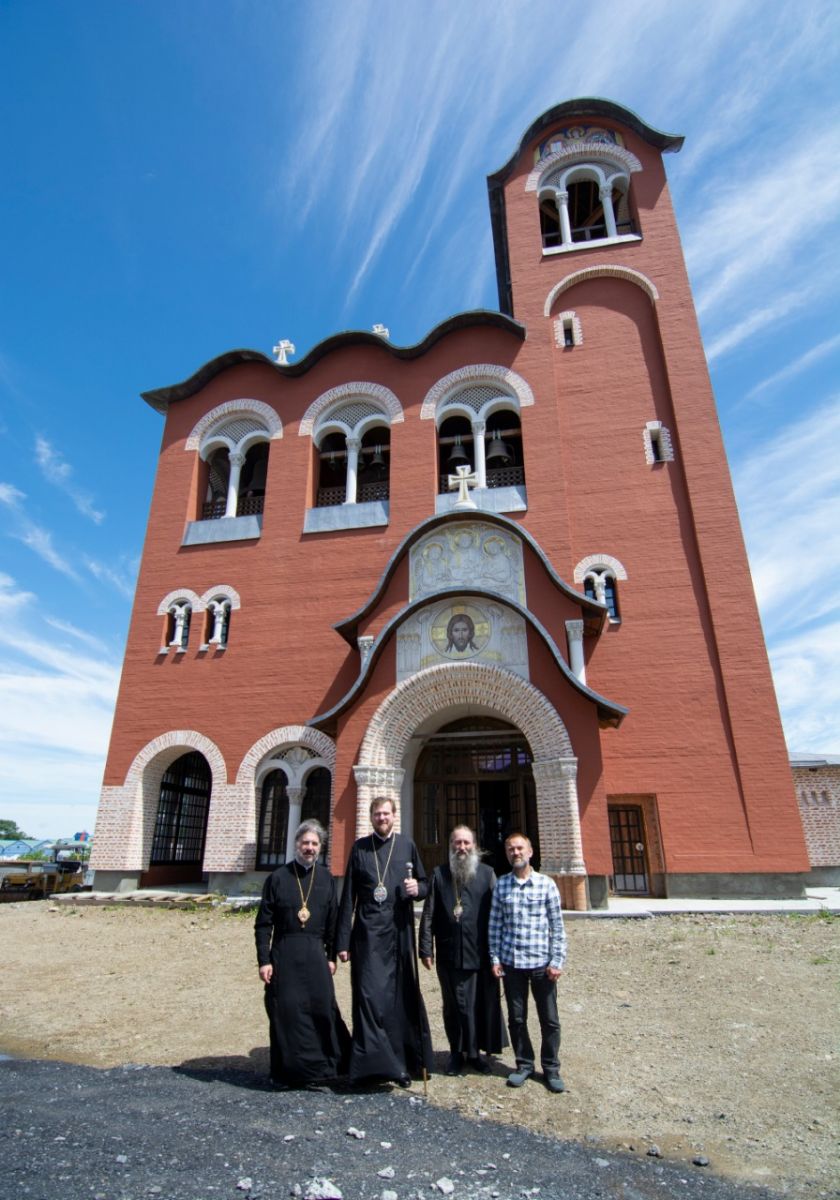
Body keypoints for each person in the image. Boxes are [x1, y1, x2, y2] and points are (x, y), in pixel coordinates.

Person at [336, 796, 434, 1087]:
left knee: (397, 998)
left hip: (398, 932)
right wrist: (342, 941)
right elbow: (347, 897)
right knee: (368, 998)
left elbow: (426, 883)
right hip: (366, 935)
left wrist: (418, 889)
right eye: (377, 814)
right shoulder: (359, 848)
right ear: (371, 817)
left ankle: (399, 1065)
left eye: (386, 813)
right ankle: (367, 1068)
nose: (382, 818)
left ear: (395, 815)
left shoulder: (407, 846)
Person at [254, 819, 350, 1088]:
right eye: (305, 843)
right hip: (284, 952)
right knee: (287, 1011)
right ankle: (287, 1072)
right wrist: (264, 960)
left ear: (321, 848)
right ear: (296, 844)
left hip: (315, 953)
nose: (309, 848)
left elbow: (333, 920)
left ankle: (322, 1069)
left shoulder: (327, 879)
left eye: (314, 844)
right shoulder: (278, 878)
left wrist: (331, 955)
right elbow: (263, 923)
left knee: (321, 1007)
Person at [419, 825, 508, 1076]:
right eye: (457, 843)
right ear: (450, 846)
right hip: (450, 953)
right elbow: (428, 914)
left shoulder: (488, 874)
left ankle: (475, 1053)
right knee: (454, 1006)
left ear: (475, 846)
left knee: (479, 1003)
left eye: (466, 843)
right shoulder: (439, 874)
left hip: (480, 953)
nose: (462, 848)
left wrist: (501, 952)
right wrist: (426, 947)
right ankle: (456, 1053)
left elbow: (500, 915)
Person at [488, 832, 567, 1093]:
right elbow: (495, 925)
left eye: (520, 848)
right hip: (512, 964)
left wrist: (557, 960)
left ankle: (551, 1068)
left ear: (531, 852)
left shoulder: (546, 884)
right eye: (511, 849)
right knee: (517, 1018)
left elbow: (557, 925)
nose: (516, 853)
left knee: (550, 1019)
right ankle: (524, 1064)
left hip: (542, 965)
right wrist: (495, 958)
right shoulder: (502, 885)